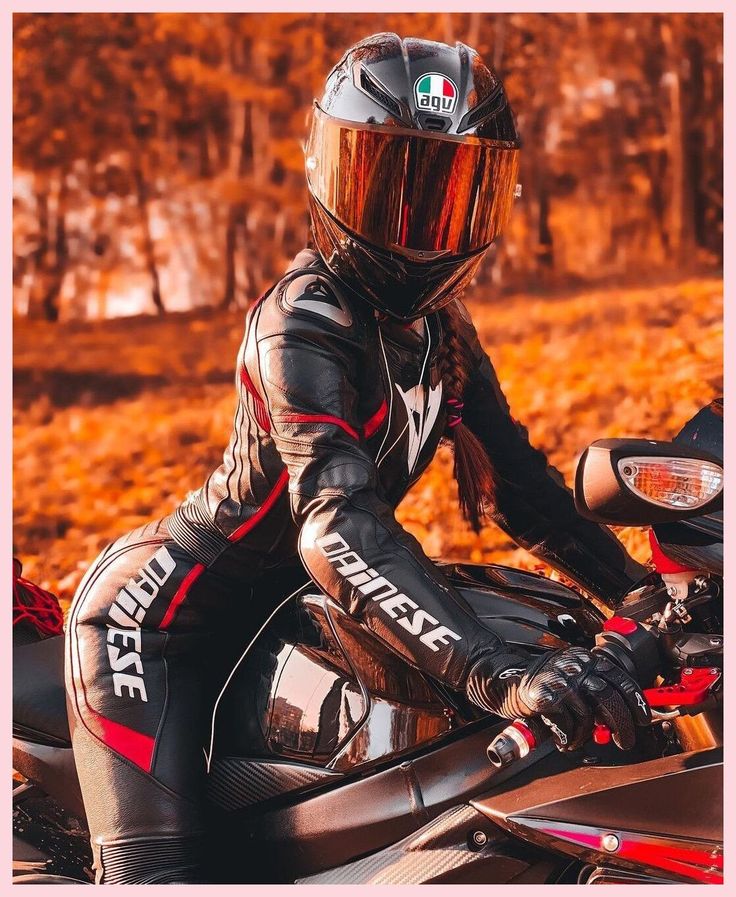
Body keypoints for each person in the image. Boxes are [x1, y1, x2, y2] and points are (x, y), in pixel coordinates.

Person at [65, 33, 651, 884]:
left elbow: (532, 499)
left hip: (294, 618)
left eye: (446, 196)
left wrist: (649, 594)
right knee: (165, 878)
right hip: (154, 630)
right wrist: (498, 674)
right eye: (390, 188)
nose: (416, 233)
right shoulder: (298, 322)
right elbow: (338, 527)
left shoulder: (447, 334)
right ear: (328, 175)